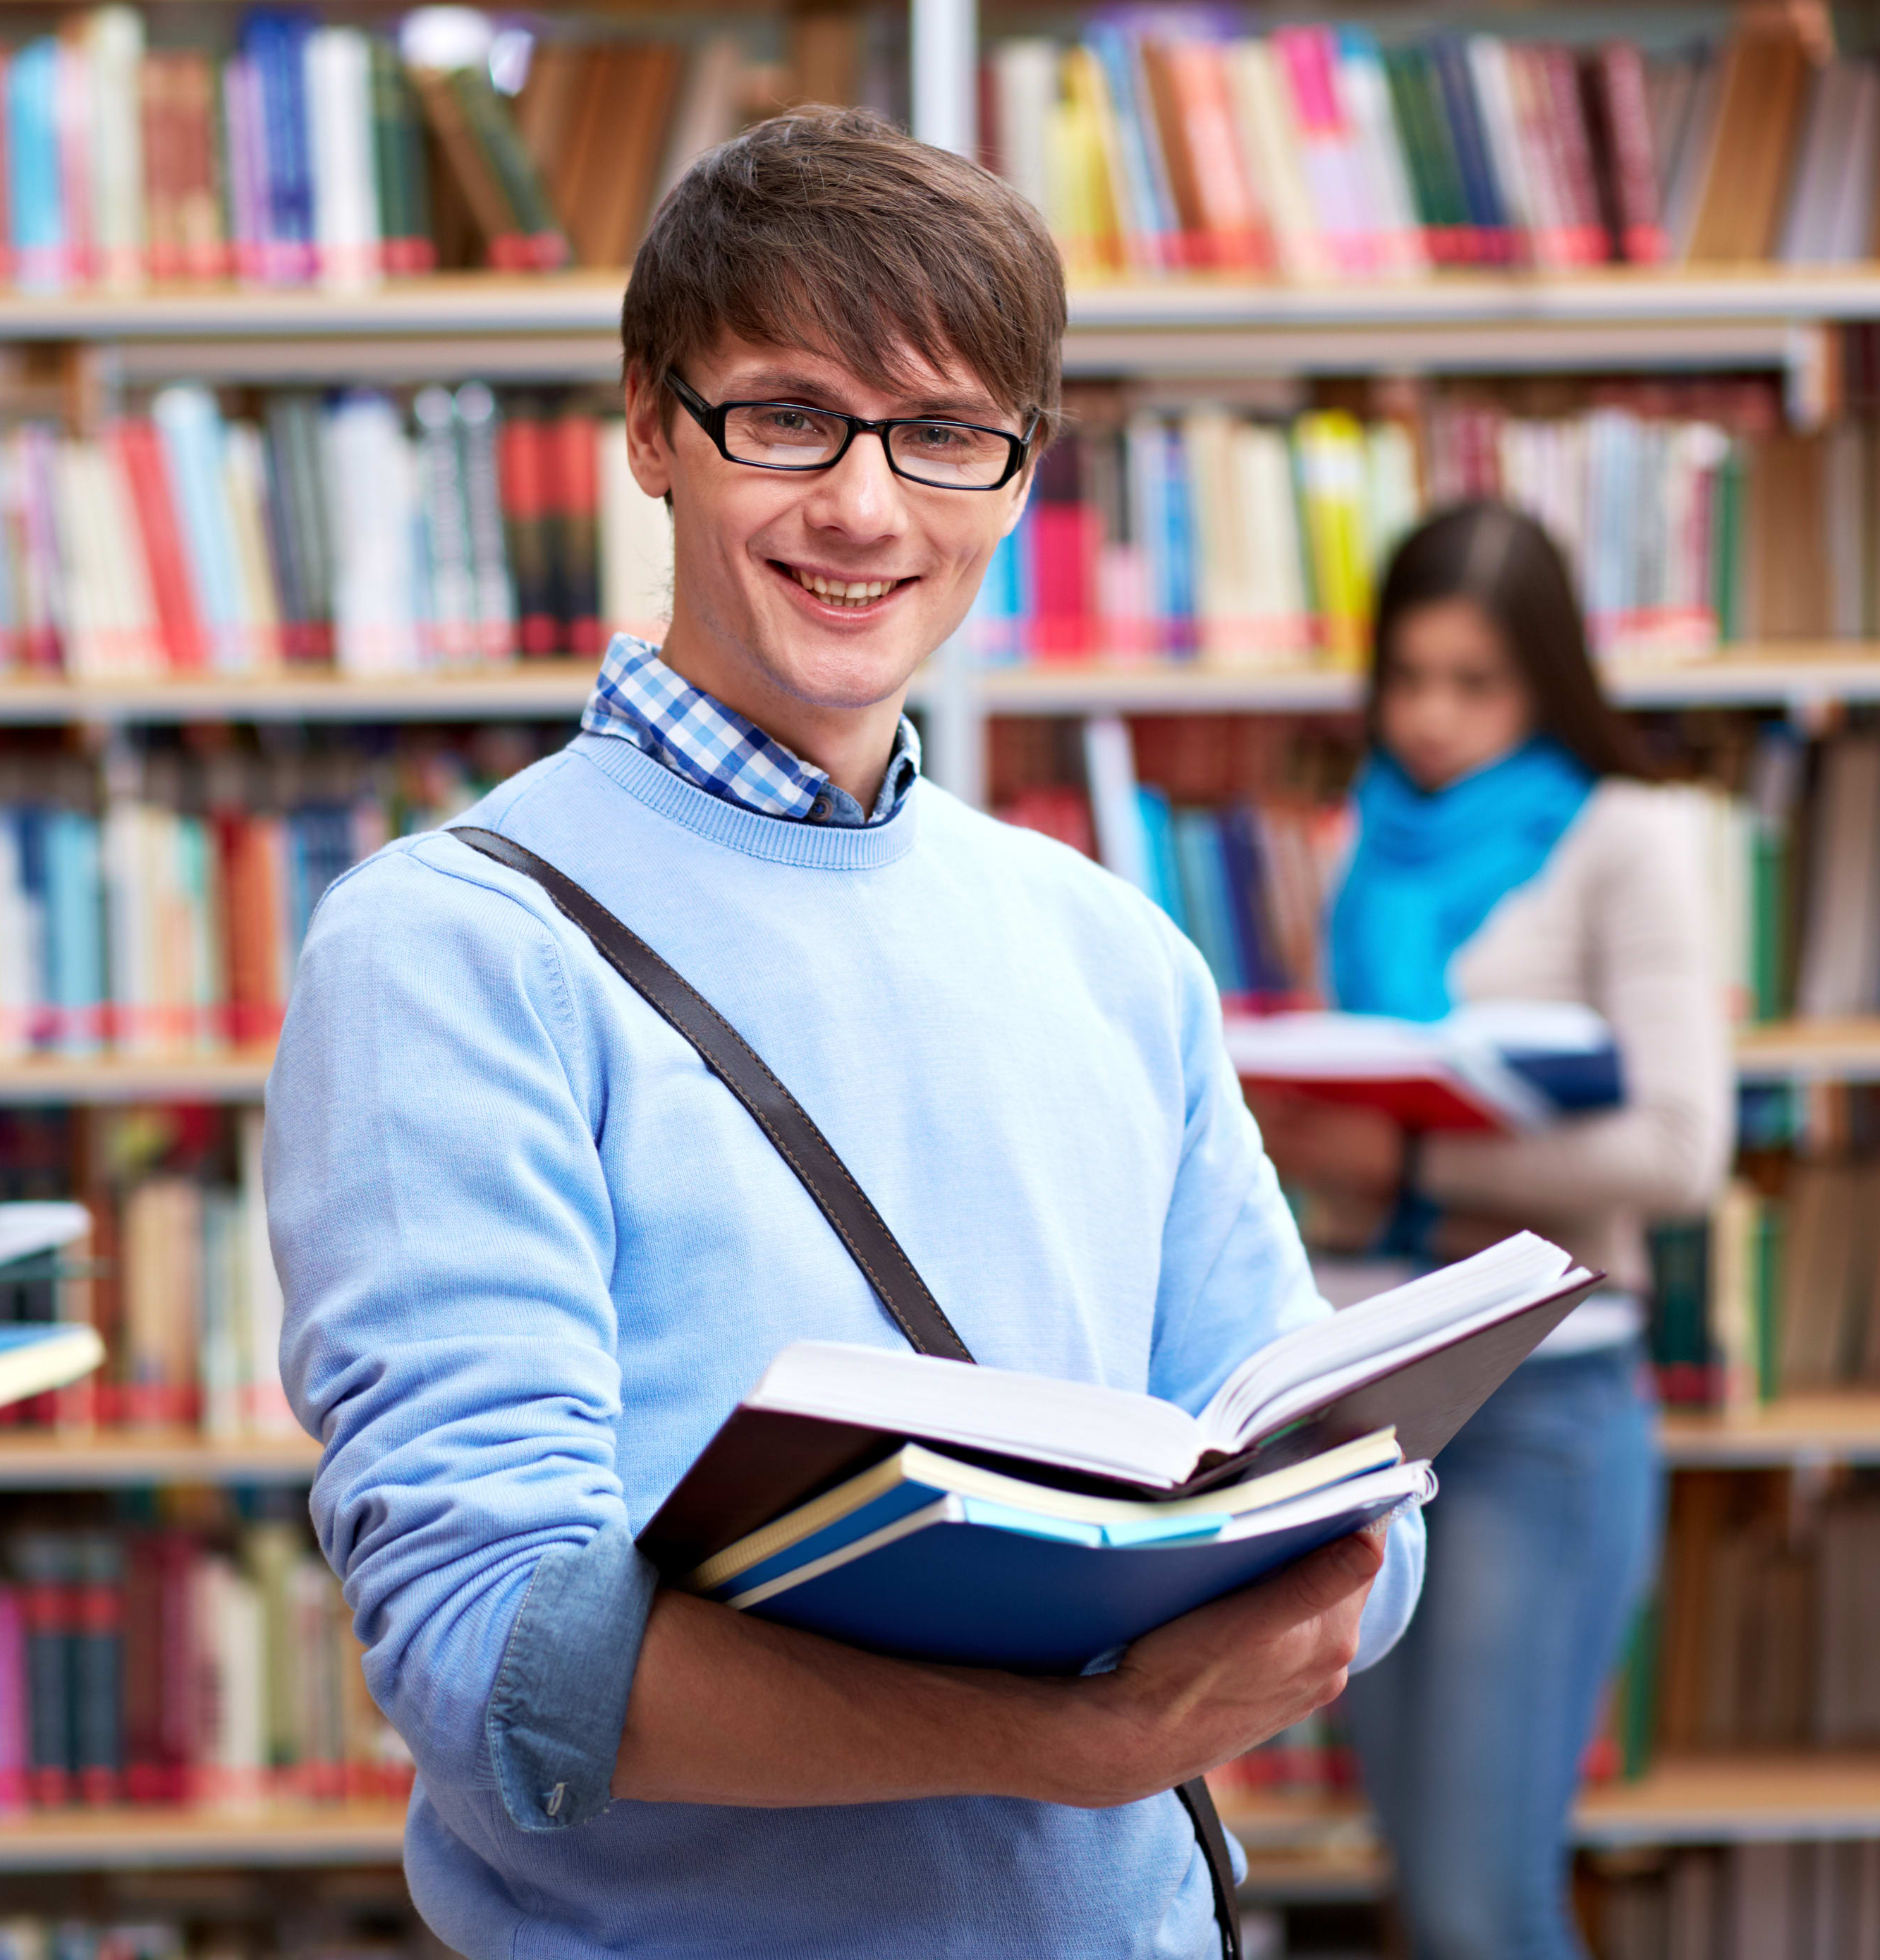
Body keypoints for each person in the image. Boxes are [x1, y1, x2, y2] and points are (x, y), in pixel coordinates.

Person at [264, 108, 1425, 1959]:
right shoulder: (450, 948)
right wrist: (1066, 1732)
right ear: (651, 423)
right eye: (788, 414)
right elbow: (487, 1650)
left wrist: (1335, 1569)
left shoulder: (1108, 946)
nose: (865, 507)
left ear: (1021, 473)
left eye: (946, 433)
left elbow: (1322, 1467)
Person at [1251, 502, 1731, 1960]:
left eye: (1476, 682)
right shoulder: (1361, 851)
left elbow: (1677, 1147)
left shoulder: (1623, 839)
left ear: (1546, 678)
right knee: (1413, 1874)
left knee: (1480, 1901)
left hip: (1544, 1403)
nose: (1431, 717)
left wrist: (1413, 1154)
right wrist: (1310, 1141)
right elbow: (1357, 1160)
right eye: (1406, 678)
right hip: (1364, 1395)